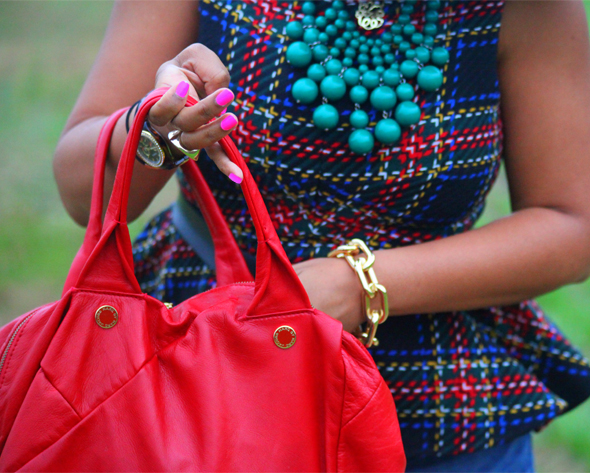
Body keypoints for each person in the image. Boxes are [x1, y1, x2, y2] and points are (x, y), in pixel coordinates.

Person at [53, 0, 590, 471]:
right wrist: (157, 130)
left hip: (435, 404)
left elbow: (572, 224)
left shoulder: (525, 9)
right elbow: (82, 193)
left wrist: (358, 283)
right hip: (198, 368)